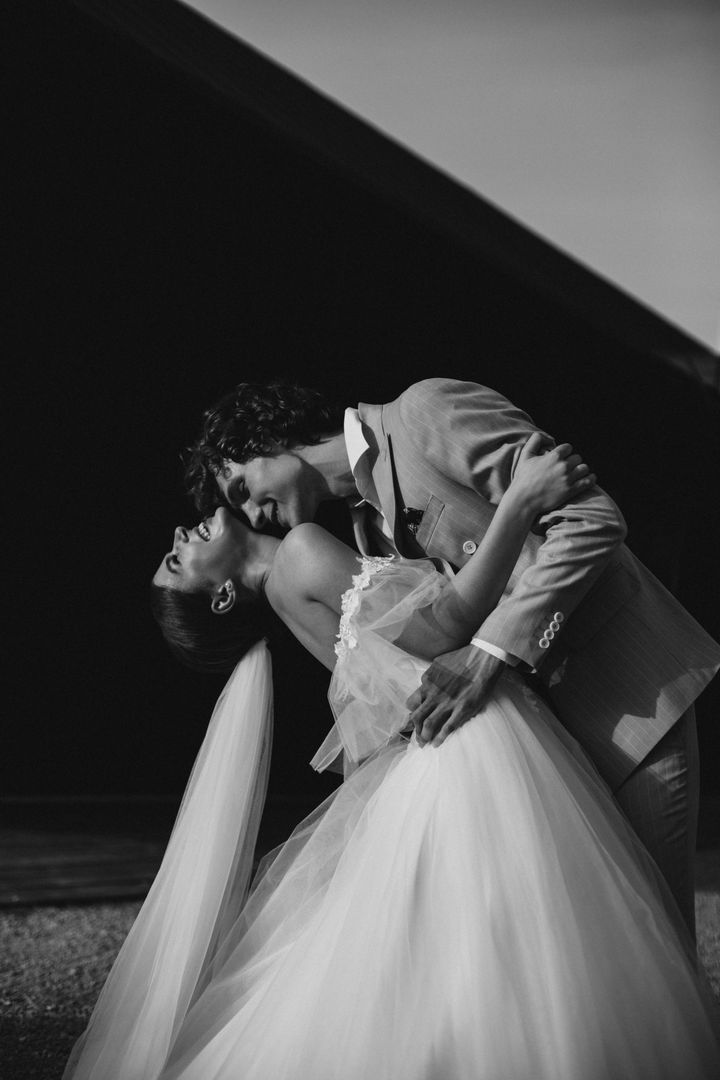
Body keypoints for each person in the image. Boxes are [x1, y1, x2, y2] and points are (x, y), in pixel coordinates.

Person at [63, 438, 720, 1080]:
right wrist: (519, 505)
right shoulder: (301, 552)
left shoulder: (292, 596)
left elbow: (371, 706)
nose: (179, 535)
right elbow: (443, 630)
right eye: (176, 561)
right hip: (476, 736)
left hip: (453, 741)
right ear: (222, 597)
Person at [185, 378, 720, 935]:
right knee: (612, 947)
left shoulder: (425, 411)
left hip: (629, 698)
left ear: (266, 437)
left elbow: (590, 519)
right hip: (552, 756)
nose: (251, 513)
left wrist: (488, 654)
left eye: (242, 488)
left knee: (667, 942)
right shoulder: (363, 530)